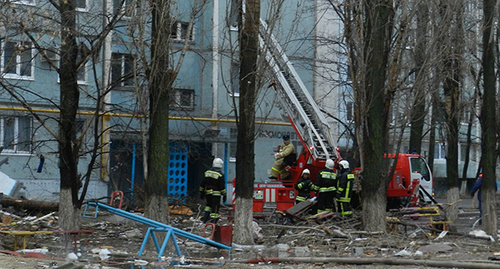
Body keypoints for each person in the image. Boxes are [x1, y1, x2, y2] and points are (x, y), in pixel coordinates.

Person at [200, 158, 227, 223]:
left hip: (208, 193)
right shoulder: (220, 174)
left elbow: (202, 183)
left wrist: (201, 192)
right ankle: (213, 221)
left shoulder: (207, 172)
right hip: (216, 194)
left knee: (208, 206)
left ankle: (205, 218)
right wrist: (224, 194)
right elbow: (222, 186)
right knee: (215, 208)